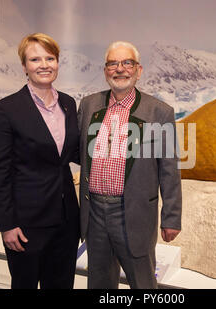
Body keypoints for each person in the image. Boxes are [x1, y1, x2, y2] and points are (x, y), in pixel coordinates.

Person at [77, 41, 182, 289]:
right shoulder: (89, 105)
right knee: (99, 281)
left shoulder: (160, 112)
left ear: (139, 70)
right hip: (95, 214)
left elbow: (169, 170)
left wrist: (171, 217)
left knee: (143, 282)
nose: (120, 69)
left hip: (133, 213)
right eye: (113, 63)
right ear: (105, 71)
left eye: (127, 63)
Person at [0, 33, 80, 289]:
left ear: (58, 62)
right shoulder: (6, 109)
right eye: (35, 59)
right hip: (26, 225)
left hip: (66, 221)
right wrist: (7, 225)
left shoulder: (69, 104)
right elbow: (0, 172)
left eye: (50, 58)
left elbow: (72, 153)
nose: (44, 65)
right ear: (24, 66)